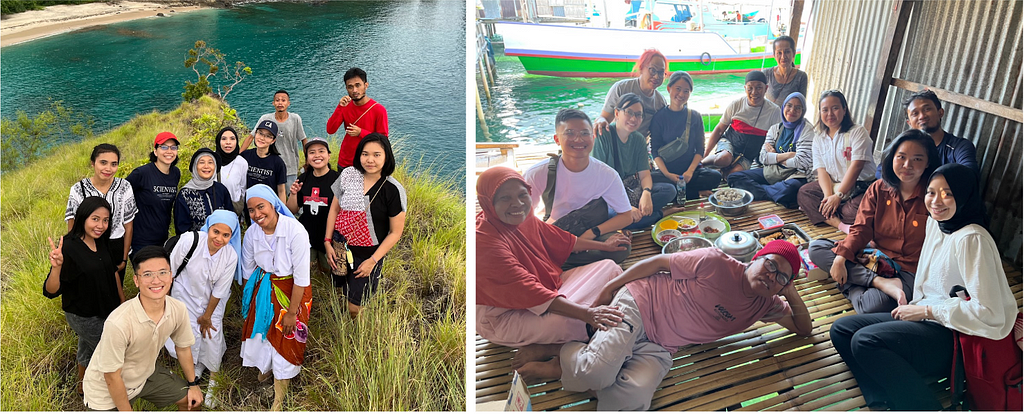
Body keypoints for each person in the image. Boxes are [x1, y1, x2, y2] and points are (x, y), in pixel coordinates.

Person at [514, 241, 812, 411]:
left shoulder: (766, 304)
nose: (772, 276)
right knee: (597, 372)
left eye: (782, 278)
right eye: (771, 265)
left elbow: (804, 329)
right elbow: (657, 263)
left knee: (633, 399)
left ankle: (583, 360)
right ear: (757, 257)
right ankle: (560, 360)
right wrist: (610, 288)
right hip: (640, 305)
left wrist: (792, 292)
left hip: (663, 345)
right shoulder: (715, 261)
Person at [829, 164, 1017, 411]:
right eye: (931, 192)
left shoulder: (972, 239)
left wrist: (926, 312)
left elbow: (991, 313)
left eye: (948, 193)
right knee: (842, 329)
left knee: (865, 341)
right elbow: (932, 284)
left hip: (957, 336)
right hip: (930, 321)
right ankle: (882, 401)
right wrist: (916, 307)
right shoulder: (936, 224)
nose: (936, 201)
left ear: (964, 195)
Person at [476, 166, 630, 347]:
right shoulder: (484, 243)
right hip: (503, 316)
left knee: (609, 267)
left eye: (522, 195)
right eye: (505, 198)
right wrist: (588, 314)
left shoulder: (522, 216)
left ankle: (581, 314)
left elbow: (563, 240)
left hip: (546, 289)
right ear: (487, 202)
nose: (517, 204)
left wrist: (604, 246)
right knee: (573, 322)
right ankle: (553, 348)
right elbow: (528, 290)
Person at [808, 130, 938, 314]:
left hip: (908, 269)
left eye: (917, 159)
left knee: (873, 306)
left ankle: (850, 282)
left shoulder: (933, 197)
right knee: (816, 248)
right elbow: (861, 229)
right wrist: (840, 258)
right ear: (892, 157)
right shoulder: (879, 188)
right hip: (873, 255)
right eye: (901, 157)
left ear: (928, 163)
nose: (907, 165)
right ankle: (878, 282)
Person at [82, 246, 203, 411]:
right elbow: (111, 376)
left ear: (171, 276)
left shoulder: (177, 309)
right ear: (136, 280)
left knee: (191, 401)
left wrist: (193, 384)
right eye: (147, 275)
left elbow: (183, 348)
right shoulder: (119, 322)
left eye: (162, 272)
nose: (156, 280)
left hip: (145, 376)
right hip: (106, 390)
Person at [523, 109, 633, 269]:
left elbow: (626, 216)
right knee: (531, 250)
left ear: (593, 137)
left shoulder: (607, 174)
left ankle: (555, 263)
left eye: (584, 133)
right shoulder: (538, 174)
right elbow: (523, 221)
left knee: (622, 248)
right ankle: (558, 260)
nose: (578, 139)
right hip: (556, 234)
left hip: (591, 232)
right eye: (570, 133)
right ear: (557, 139)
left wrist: (592, 233)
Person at [240, 184, 312, 411]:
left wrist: (291, 313)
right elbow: (248, 269)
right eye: (251, 210)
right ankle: (265, 368)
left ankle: (278, 400)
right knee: (261, 336)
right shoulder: (252, 232)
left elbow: (301, 279)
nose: (257, 214)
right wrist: (251, 302)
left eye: (261, 207)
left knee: (286, 339)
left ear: (273, 205)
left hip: (291, 291)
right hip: (262, 289)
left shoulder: (295, 231)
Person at [44, 197, 125, 396]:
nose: (101, 225)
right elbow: (51, 290)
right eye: (95, 219)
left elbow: (112, 272)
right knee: (110, 352)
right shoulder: (69, 247)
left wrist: (122, 302)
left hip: (107, 307)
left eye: (105, 220)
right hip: (83, 314)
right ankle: (107, 394)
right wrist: (57, 268)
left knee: (87, 349)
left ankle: (81, 386)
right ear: (83, 218)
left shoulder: (101, 240)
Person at [323, 134, 407, 317]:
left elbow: (395, 232)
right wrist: (327, 241)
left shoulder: (392, 189)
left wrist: (373, 261)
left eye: (377, 155)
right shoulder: (348, 175)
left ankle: (356, 334)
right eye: (365, 154)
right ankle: (341, 318)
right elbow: (334, 210)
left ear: (387, 157)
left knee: (356, 305)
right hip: (340, 245)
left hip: (368, 253)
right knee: (340, 287)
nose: (370, 160)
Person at [163, 210, 240, 408]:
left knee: (211, 334)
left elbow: (220, 289)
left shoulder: (230, 255)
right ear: (208, 227)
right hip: (183, 298)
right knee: (187, 335)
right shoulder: (190, 241)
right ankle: (196, 367)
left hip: (212, 303)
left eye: (226, 235)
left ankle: (214, 376)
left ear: (232, 236)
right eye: (216, 232)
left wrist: (207, 316)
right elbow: (170, 270)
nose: (219, 239)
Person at [591, 93, 676, 229]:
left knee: (670, 190)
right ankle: (659, 214)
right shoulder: (603, 136)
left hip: (630, 188)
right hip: (607, 197)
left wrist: (647, 193)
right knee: (611, 216)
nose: (633, 118)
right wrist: (626, 208)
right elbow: (599, 183)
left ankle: (634, 217)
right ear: (617, 113)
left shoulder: (638, 139)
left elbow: (644, 174)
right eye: (629, 112)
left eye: (638, 115)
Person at [797, 90, 877, 228]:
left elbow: (856, 166)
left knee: (851, 212)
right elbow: (821, 170)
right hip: (834, 185)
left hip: (861, 186)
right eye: (825, 110)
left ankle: (826, 214)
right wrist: (828, 197)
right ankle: (840, 224)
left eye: (835, 108)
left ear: (844, 110)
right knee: (804, 193)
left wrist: (838, 196)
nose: (830, 114)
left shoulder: (857, 132)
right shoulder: (819, 138)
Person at [727, 92, 814, 208]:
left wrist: (774, 156)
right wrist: (789, 155)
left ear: (803, 111)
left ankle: (762, 190)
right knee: (734, 177)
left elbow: (801, 162)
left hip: (794, 174)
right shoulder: (775, 129)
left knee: (791, 188)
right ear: (783, 107)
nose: (792, 110)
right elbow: (762, 157)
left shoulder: (807, 130)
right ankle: (773, 192)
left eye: (798, 107)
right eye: (789, 105)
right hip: (772, 171)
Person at [65, 143, 136, 280]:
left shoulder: (125, 187)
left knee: (115, 289)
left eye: (114, 164)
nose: (108, 168)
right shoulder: (78, 189)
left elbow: (128, 226)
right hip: (86, 245)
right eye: (103, 162)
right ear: (93, 163)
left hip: (116, 245)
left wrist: (124, 259)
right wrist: (73, 253)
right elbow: (72, 225)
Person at [649, 71, 722, 201]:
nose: (681, 94)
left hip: (690, 172)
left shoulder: (695, 116)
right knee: (654, 182)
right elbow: (655, 151)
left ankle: (684, 193)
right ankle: (696, 193)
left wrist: (690, 171)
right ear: (669, 89)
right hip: (668, 172)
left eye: (686, 91)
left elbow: (700, 149)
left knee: (715, 176)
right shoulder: (659, 118)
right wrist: (668, 174)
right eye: (678, 89)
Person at [875, 89, 980, 179]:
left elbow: (970, 175)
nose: (922, 116)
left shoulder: (959, 147)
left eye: (927, 109)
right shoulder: (902, 145)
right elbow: (881, 172)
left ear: (940, 113)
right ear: (909, 123)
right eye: (915, 113)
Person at [703, 70, 783, 177]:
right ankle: (700, 164)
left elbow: (776, 138)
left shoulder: (774, 111)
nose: (754, 92)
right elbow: (719, 130)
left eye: (759, 87)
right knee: (723, 159)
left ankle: (719, 174)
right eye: (750, 88)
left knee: (733, 175)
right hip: (729, 142)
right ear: (745, 88)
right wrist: (705, 153)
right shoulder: (736, 104)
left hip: (748, 155)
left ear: (766, 89)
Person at [286, 137, 340, 277]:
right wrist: (293, 194)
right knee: (302, 269)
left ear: (328, 155)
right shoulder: (303, 179)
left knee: (329, 271)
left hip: (329, 236)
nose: (317, 155)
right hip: (306, 234)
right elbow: (292, 210)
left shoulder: (338, 179)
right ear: (307, 157)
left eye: (321, 151)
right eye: (312, 152)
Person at [127, 132, 181, 257]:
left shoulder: (175, 173)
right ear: (155, 151)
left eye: (173, 147)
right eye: (164, 147)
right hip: (140, 238)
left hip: (162, 237)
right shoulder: (141, 173)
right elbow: (121, 194)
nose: (169, 151)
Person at [593, 49, 668, 138]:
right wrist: (600, 121)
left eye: (661, 72)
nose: (656, 76)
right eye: (652, 70)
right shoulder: (621, 88)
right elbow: (604, 117)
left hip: (640, 147)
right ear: (641, 68)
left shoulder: (661, 102)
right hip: (616, 143)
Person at [240, 90, 307, 188]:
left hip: (290, 166)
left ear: (288, 103)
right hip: (268, 167)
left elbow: (303, 140)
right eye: (277, 100)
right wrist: (238, 156)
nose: (280, 103)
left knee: (290, 195)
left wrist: (307, 162)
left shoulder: (295, 119)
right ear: (273, 103)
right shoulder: (265, 118)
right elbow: (251, 137)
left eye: (283, 100)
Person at [327, 67, 390, 169]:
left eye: (358, 85)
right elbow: (330, 130)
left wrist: (361, 132)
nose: (354, 90)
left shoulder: (379, 110)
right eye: (350, 87)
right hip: (345, 161)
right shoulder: (345, 106)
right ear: (346, 88)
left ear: (366, 85)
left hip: (367, 163)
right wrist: (340, 107)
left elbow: (383, 140)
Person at [173, 148, 232, 233]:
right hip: (195, 244)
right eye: (201, 162)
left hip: (221, 243)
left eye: (210, 162)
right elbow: (182, 229)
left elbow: (230, 219)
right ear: (195, 166)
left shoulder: (221, 189)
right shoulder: (185, 194)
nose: (206, 166)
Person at [240, 119, 288, 202]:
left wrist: (281, 212)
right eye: (260, 133)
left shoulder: (278, 163)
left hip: (269, 207)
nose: (262, 138)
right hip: (247, 205)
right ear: (255, 134)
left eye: (268, 136)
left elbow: (281, 191)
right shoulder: (245, 156)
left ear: (273, 140)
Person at [762, 36, 808, 106]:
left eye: (787, 52)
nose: (783, 57)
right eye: (779, 53)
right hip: (770, 116)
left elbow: (801, 104)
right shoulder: (766, 74)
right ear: (774, 55)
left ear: (794, 53)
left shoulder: (801, 77)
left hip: (791, 116)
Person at [214, 127, 249, 218]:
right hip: (213, 210)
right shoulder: (211, 159)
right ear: (218, 141)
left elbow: (243, 189)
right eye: (224, 139)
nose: (228, 142)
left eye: (232, 139)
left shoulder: (242, 163)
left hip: (233, 211)